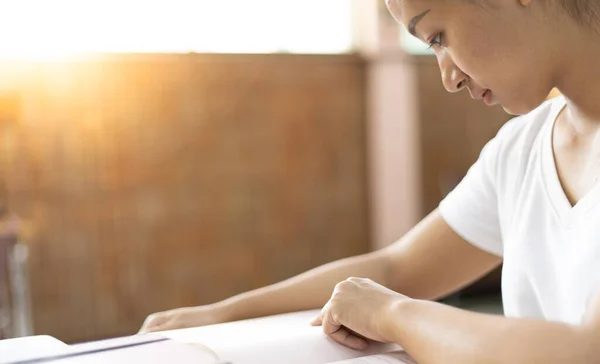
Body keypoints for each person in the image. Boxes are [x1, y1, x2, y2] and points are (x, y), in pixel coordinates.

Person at [140, 0, 600, 362]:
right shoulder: (520, 150)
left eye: (437, 35)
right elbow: (397, 269)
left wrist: (392, 314)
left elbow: (585, 353)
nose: (449, 78)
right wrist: (220, 317)